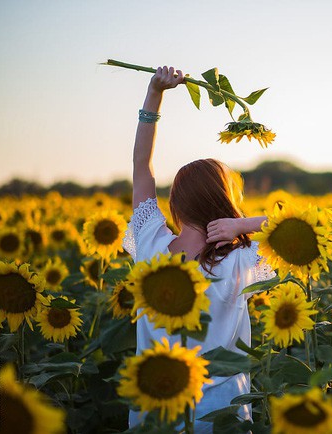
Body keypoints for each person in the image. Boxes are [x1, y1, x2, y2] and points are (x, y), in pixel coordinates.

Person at [122, 66, 271, 433]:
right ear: (226, 202)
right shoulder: (242, 259)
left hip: (156, 413)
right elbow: (307, 230)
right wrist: (246, 224)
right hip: (222, 414)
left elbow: (142, 166)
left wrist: (154, 93)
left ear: (175, 203)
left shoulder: (150, 246)